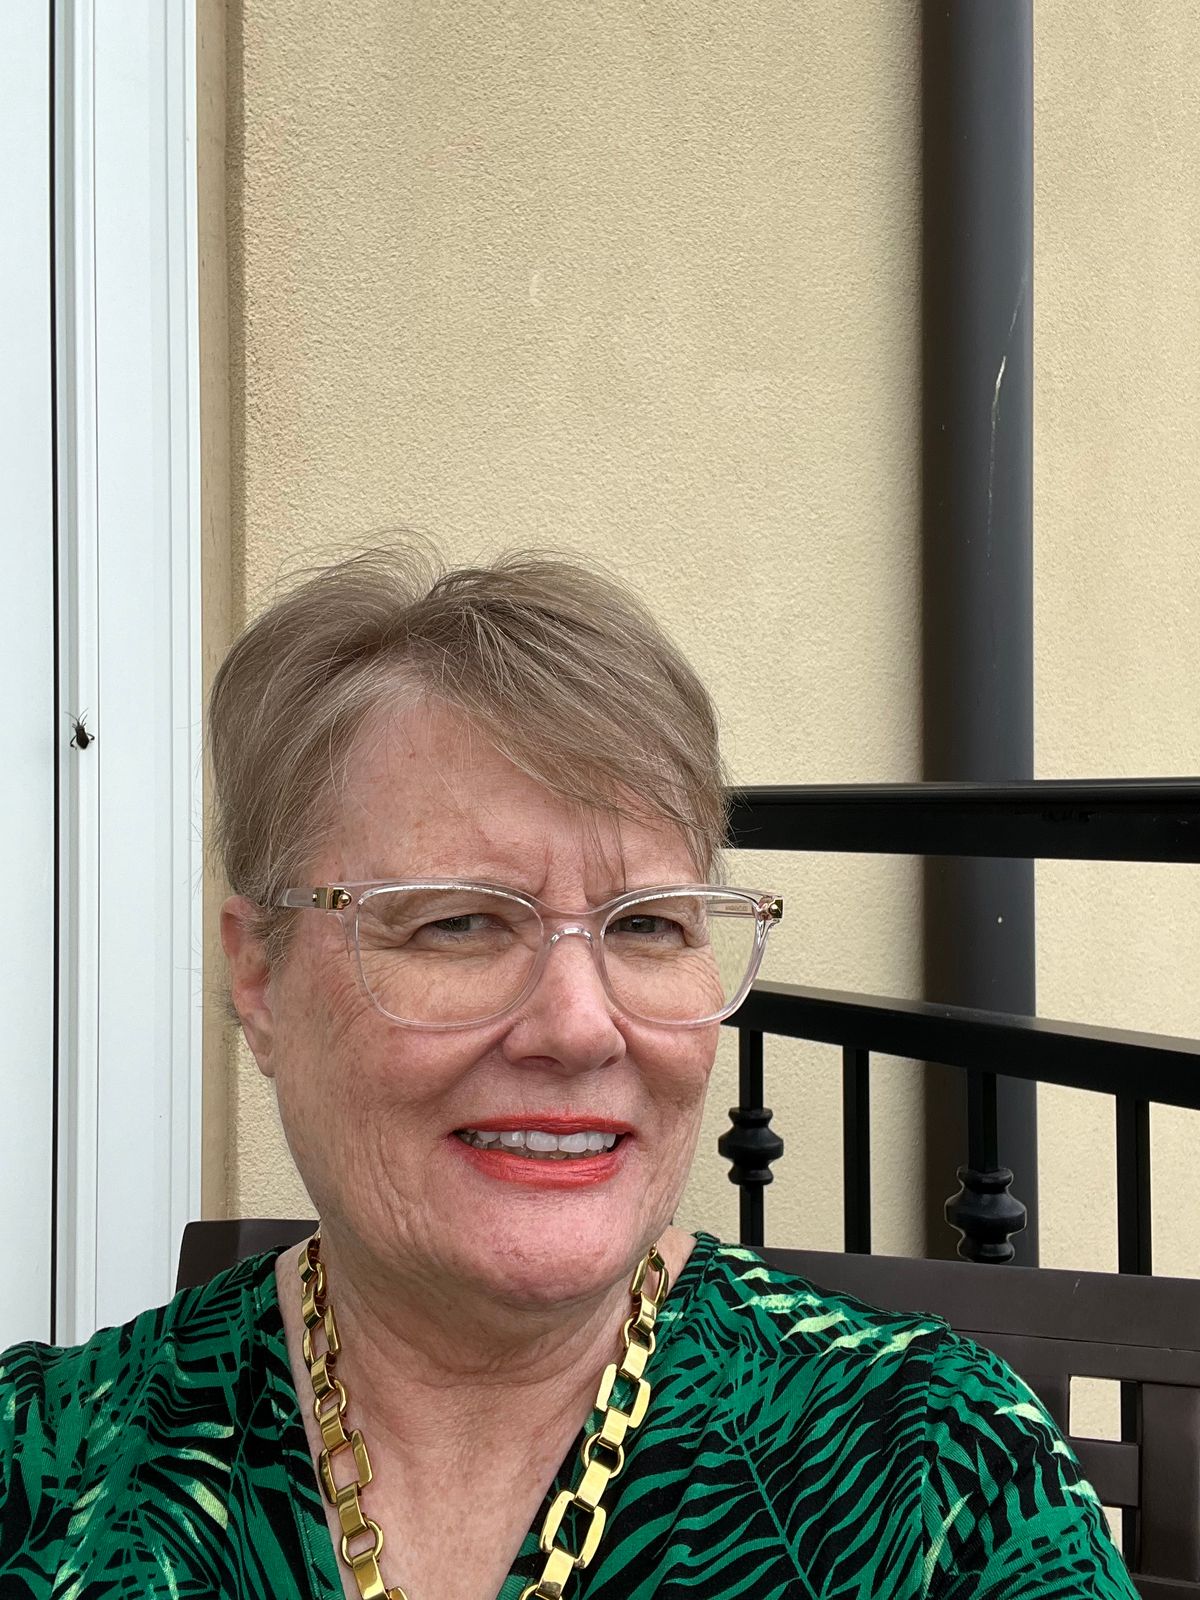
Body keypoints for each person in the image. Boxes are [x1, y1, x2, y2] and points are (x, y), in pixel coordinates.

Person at [1, 547, 1135, 1600]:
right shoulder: (42, 1471)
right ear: (259, 977)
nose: (583, 1027)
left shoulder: (935, 1482)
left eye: (648, 926)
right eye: (456, 923)